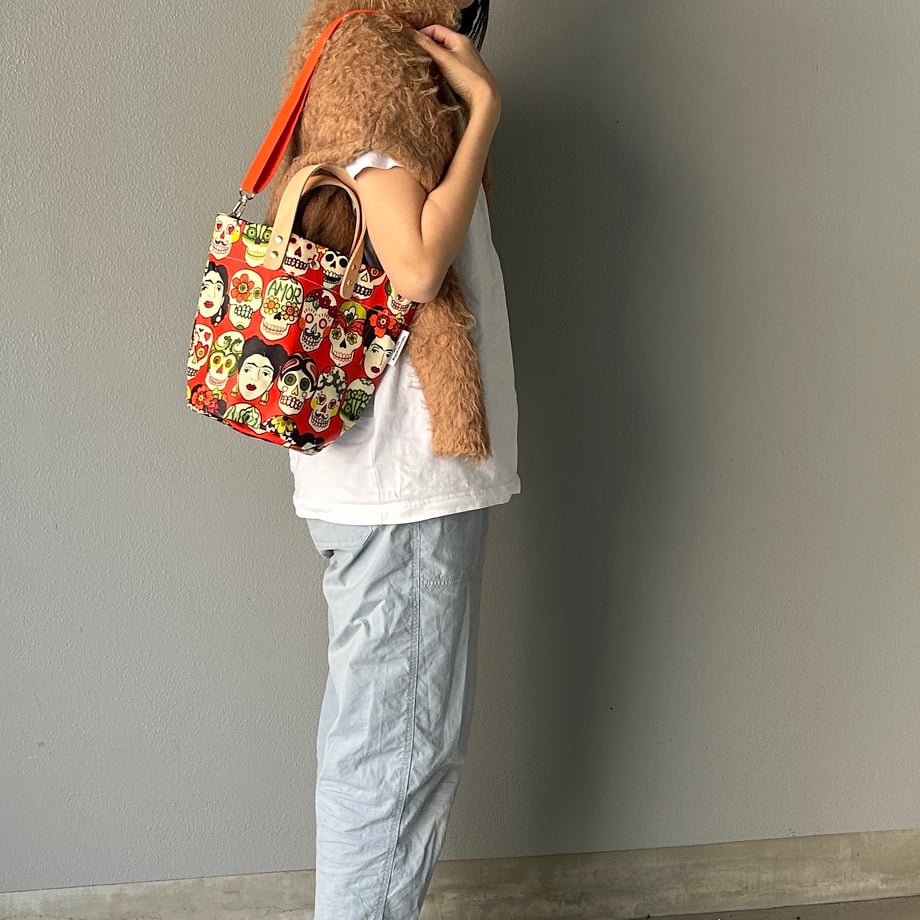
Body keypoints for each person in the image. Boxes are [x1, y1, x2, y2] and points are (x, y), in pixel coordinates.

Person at [265, 1, 520, 917]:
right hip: (403, 484)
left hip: (393, 484)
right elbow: (414, 268)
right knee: (394, 760)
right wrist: (482, 113)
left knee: (396, 751)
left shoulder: (360, 47)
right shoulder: (373, 59)